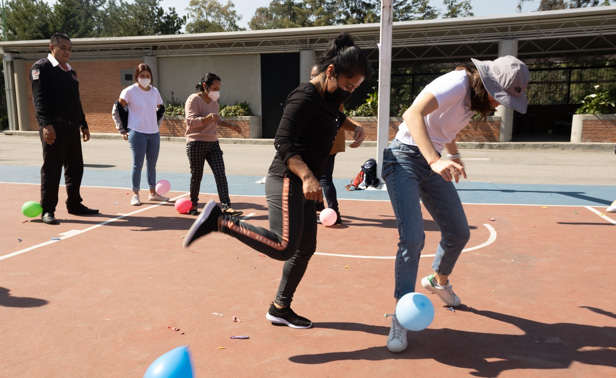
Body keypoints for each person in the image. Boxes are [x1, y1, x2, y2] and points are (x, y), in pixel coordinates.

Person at [183, 33, 371, 328]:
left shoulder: (330, 97)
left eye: (355, 88)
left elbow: (333, 113)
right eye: (348, 85)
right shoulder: (305, 96)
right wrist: (308, 176)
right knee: (284, 246)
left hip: (304, 184)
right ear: (331, 72)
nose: (349, 92)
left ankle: (280, 307)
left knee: (306, 248)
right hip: (287, 178)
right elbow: (283, 143)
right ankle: (219, 221)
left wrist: (354, 125)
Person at [381, 55, 530, 352]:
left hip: (432, 160)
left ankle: (438, 280)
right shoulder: (455, 84)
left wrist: (453, 155)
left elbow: (443, 127)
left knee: (458, 233)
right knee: (412, 238)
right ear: (486, 83)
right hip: (403, 159)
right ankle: (400, 315)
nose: (499, 104)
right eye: (498, 97)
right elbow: (412, 115)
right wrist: (435, 160)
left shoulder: (475, 99)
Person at [30, 33, 99, 225]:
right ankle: (48, 210)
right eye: (63, 48)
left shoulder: (70, 71)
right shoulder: (41, 68)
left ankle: (75, 204)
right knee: (52, 170)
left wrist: (83, 123)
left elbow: (75, 101)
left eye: (70, 48)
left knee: (75, 168)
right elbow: (39, 99)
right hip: (53, 128)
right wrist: (46, 125)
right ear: (52, 48)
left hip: (71, 128)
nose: (67, 51)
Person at [185, 73, 244, 216]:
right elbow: (191, 122)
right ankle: (193, 205)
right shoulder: (193, 99)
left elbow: (216, 120)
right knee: (197, 175)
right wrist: (208, 118)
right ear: (205, 86)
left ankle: (226, 206)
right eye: (214, 88)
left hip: (212, 143)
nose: (217, 91)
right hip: (196, 142)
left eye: (219, 88)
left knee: (220, 173)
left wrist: (231, 125)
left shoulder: (214, 101)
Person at [311, 64, 359, 226]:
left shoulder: (329, 94)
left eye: (314, 75)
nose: (312, 79)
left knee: (324, 177)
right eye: (311, 76)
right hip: (327, 141)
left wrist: (356, 128)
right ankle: (318, 205)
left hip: (328, 141)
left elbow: (336, 117)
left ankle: (334, 212)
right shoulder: (322, 93)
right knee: (318, 175)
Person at [115, 63, 168, 206]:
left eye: (147, 76)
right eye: (142, 76)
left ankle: (153, 193)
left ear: (151, 77)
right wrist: (122, 130)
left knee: (152, 165)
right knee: (137, 165)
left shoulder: (155, 91)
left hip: (154, 134)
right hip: (137, 133)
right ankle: (135, 194)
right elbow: (117, 110)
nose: (145, 78)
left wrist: (155, 125)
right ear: (136, 77)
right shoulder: (129, 91)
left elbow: (160, 109)